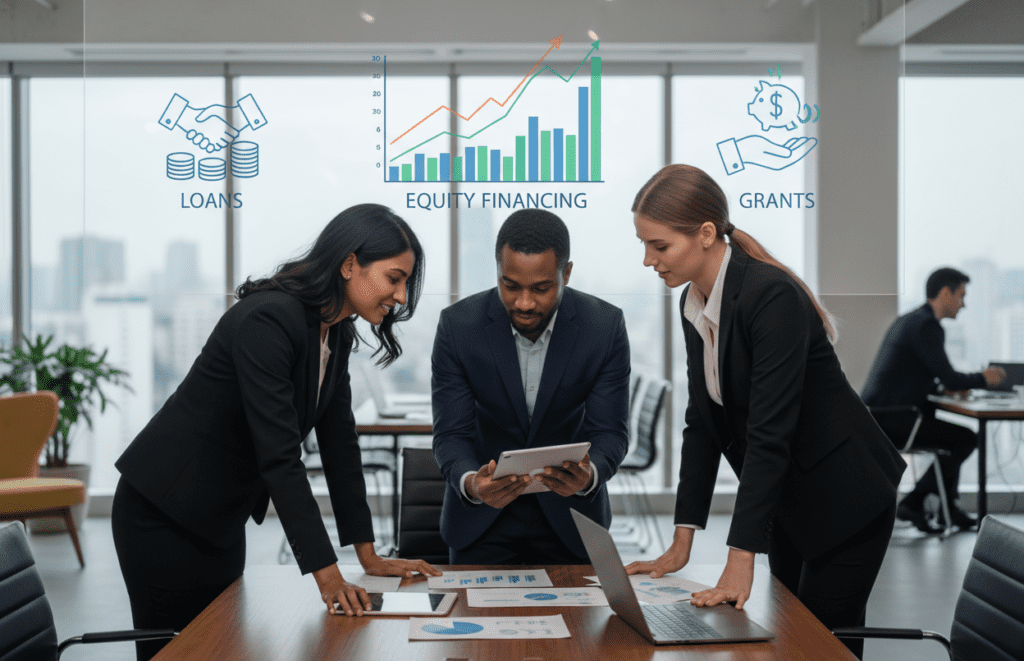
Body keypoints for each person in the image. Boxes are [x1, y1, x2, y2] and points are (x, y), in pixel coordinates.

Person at [112, 204, 442, 661]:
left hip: (218, 517)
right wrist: (328, 575)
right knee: (177, 651)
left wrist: (368, 557)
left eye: (406, 282)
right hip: (162, 511)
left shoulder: (336, 333)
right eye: (394, 278)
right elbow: (280, 456)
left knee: (221, 648)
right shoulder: (269, 319)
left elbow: (340, 444)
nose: (401, 296)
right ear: (350, 264)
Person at [624, 165, 906, 660]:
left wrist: (740, 557)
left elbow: (769, 432)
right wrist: (681, 542)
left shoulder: (769, 295)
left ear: (707, 234)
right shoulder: (696, 301)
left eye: (659, 246)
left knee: (822, 646)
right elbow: (702, 424)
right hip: (793, 502)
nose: (648, 260)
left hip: (847, 497)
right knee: (793, 641)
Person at [431, 209, 630, 565]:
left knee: (578, 623)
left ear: (566, 273)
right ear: (497, 270)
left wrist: (587, 477)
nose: (524, 303)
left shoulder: (603, 327)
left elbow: (610, 432)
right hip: (481, 522)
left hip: (571, 522)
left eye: (541, 288)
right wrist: (473, 484)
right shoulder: (458, 327)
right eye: (510, 285)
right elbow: (451, 434)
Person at [862, 267, 1006, 533]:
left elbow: (921, 376)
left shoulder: (910, 320)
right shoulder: (927, 326)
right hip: (897, 419)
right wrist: (984, 378)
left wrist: (943, 388)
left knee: (953, 438)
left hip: (880, 416)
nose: (963, 304)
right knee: (965, 438)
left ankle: (947, 510)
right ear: (945, 293)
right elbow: (950, 377)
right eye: (961, 295)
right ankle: (915, 503)